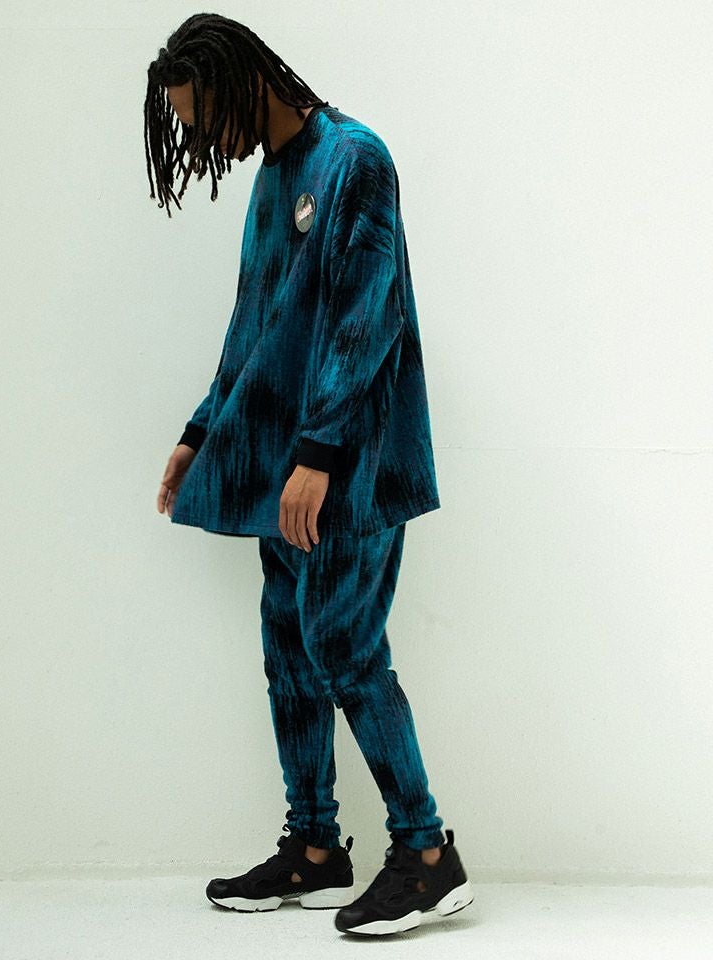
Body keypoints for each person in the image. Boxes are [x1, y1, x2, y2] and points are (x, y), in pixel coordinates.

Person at [145, 13, 473, 937]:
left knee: (344, 646)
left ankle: (428, 854)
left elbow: (367, 317)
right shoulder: (271, 180)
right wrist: (201, 431)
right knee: (289, 648)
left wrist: (320, 454)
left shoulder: (353, 159)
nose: (201, 142)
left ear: (245, 84)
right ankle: (316, 848)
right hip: (281, 470)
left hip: (351, 468)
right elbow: (252, 324)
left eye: (202, 117)